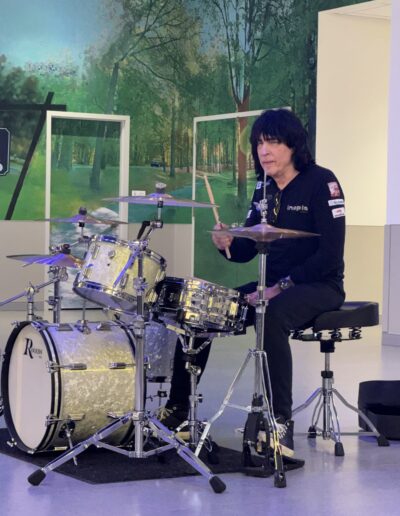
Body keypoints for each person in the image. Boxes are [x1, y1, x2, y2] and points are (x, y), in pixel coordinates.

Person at [157, 108, 346, 458]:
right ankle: (180, 410)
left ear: (293, 145)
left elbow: (330, 257)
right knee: (202, 310)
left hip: (319, 285)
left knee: (270, 314)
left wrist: (280, 287)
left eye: (272, 142)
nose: (263, 151)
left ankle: (279, 423)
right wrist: (227, 243)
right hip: (268, 282)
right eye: (259, 143)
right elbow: (247, 249)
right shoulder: (264, 186)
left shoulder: (322, 182)